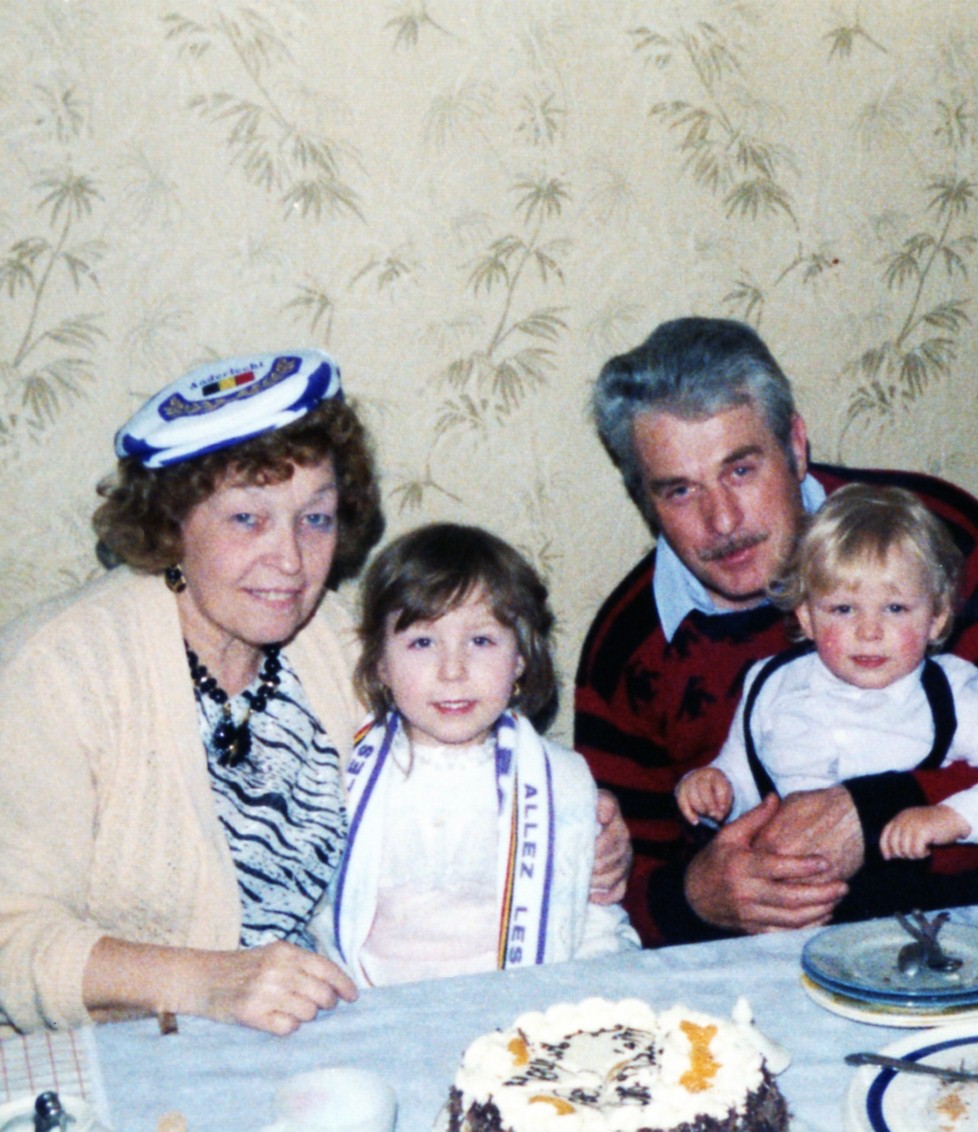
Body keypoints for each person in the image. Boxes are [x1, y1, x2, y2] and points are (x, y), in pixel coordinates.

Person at [0, 349, 629, 1037]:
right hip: (136, 1055)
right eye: (248, 518)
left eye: (316, 518)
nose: (291, 560)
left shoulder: (331, 640)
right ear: (172, 521)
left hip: (320, 1033)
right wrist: (208, 981)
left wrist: (572, 824)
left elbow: (449, 764)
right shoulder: (58, 670)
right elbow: (12, 938)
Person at [575, 317, 978, 947]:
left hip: (973, 942)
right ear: (644, 499)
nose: (722, 520)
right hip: (765, 967)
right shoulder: (625, 647)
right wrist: (696, 897)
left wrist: (876, 814)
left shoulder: (933, 542)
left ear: (795, 445)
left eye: (741, 470)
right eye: (679, 490)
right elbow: (608, 888)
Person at [675, 483, 978, 867]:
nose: (869, 632)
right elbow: (742, 777)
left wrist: (955, 817)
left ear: (936, 617)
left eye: (895, 608)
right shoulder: (771, 683)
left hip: (912, 900)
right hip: (788, 895)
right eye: (844, 609)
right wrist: (715, 789)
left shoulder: (949, 697)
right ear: (806, 616)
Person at [321, 523, 638, 986]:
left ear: (520, 659)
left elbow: (593, 919)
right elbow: (315, 914)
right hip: (372, 1006)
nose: (453, 670)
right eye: (422, 642)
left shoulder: (560, 780)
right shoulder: (343, 776)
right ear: (380, 664)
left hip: (524, 1005)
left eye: (481, 641)